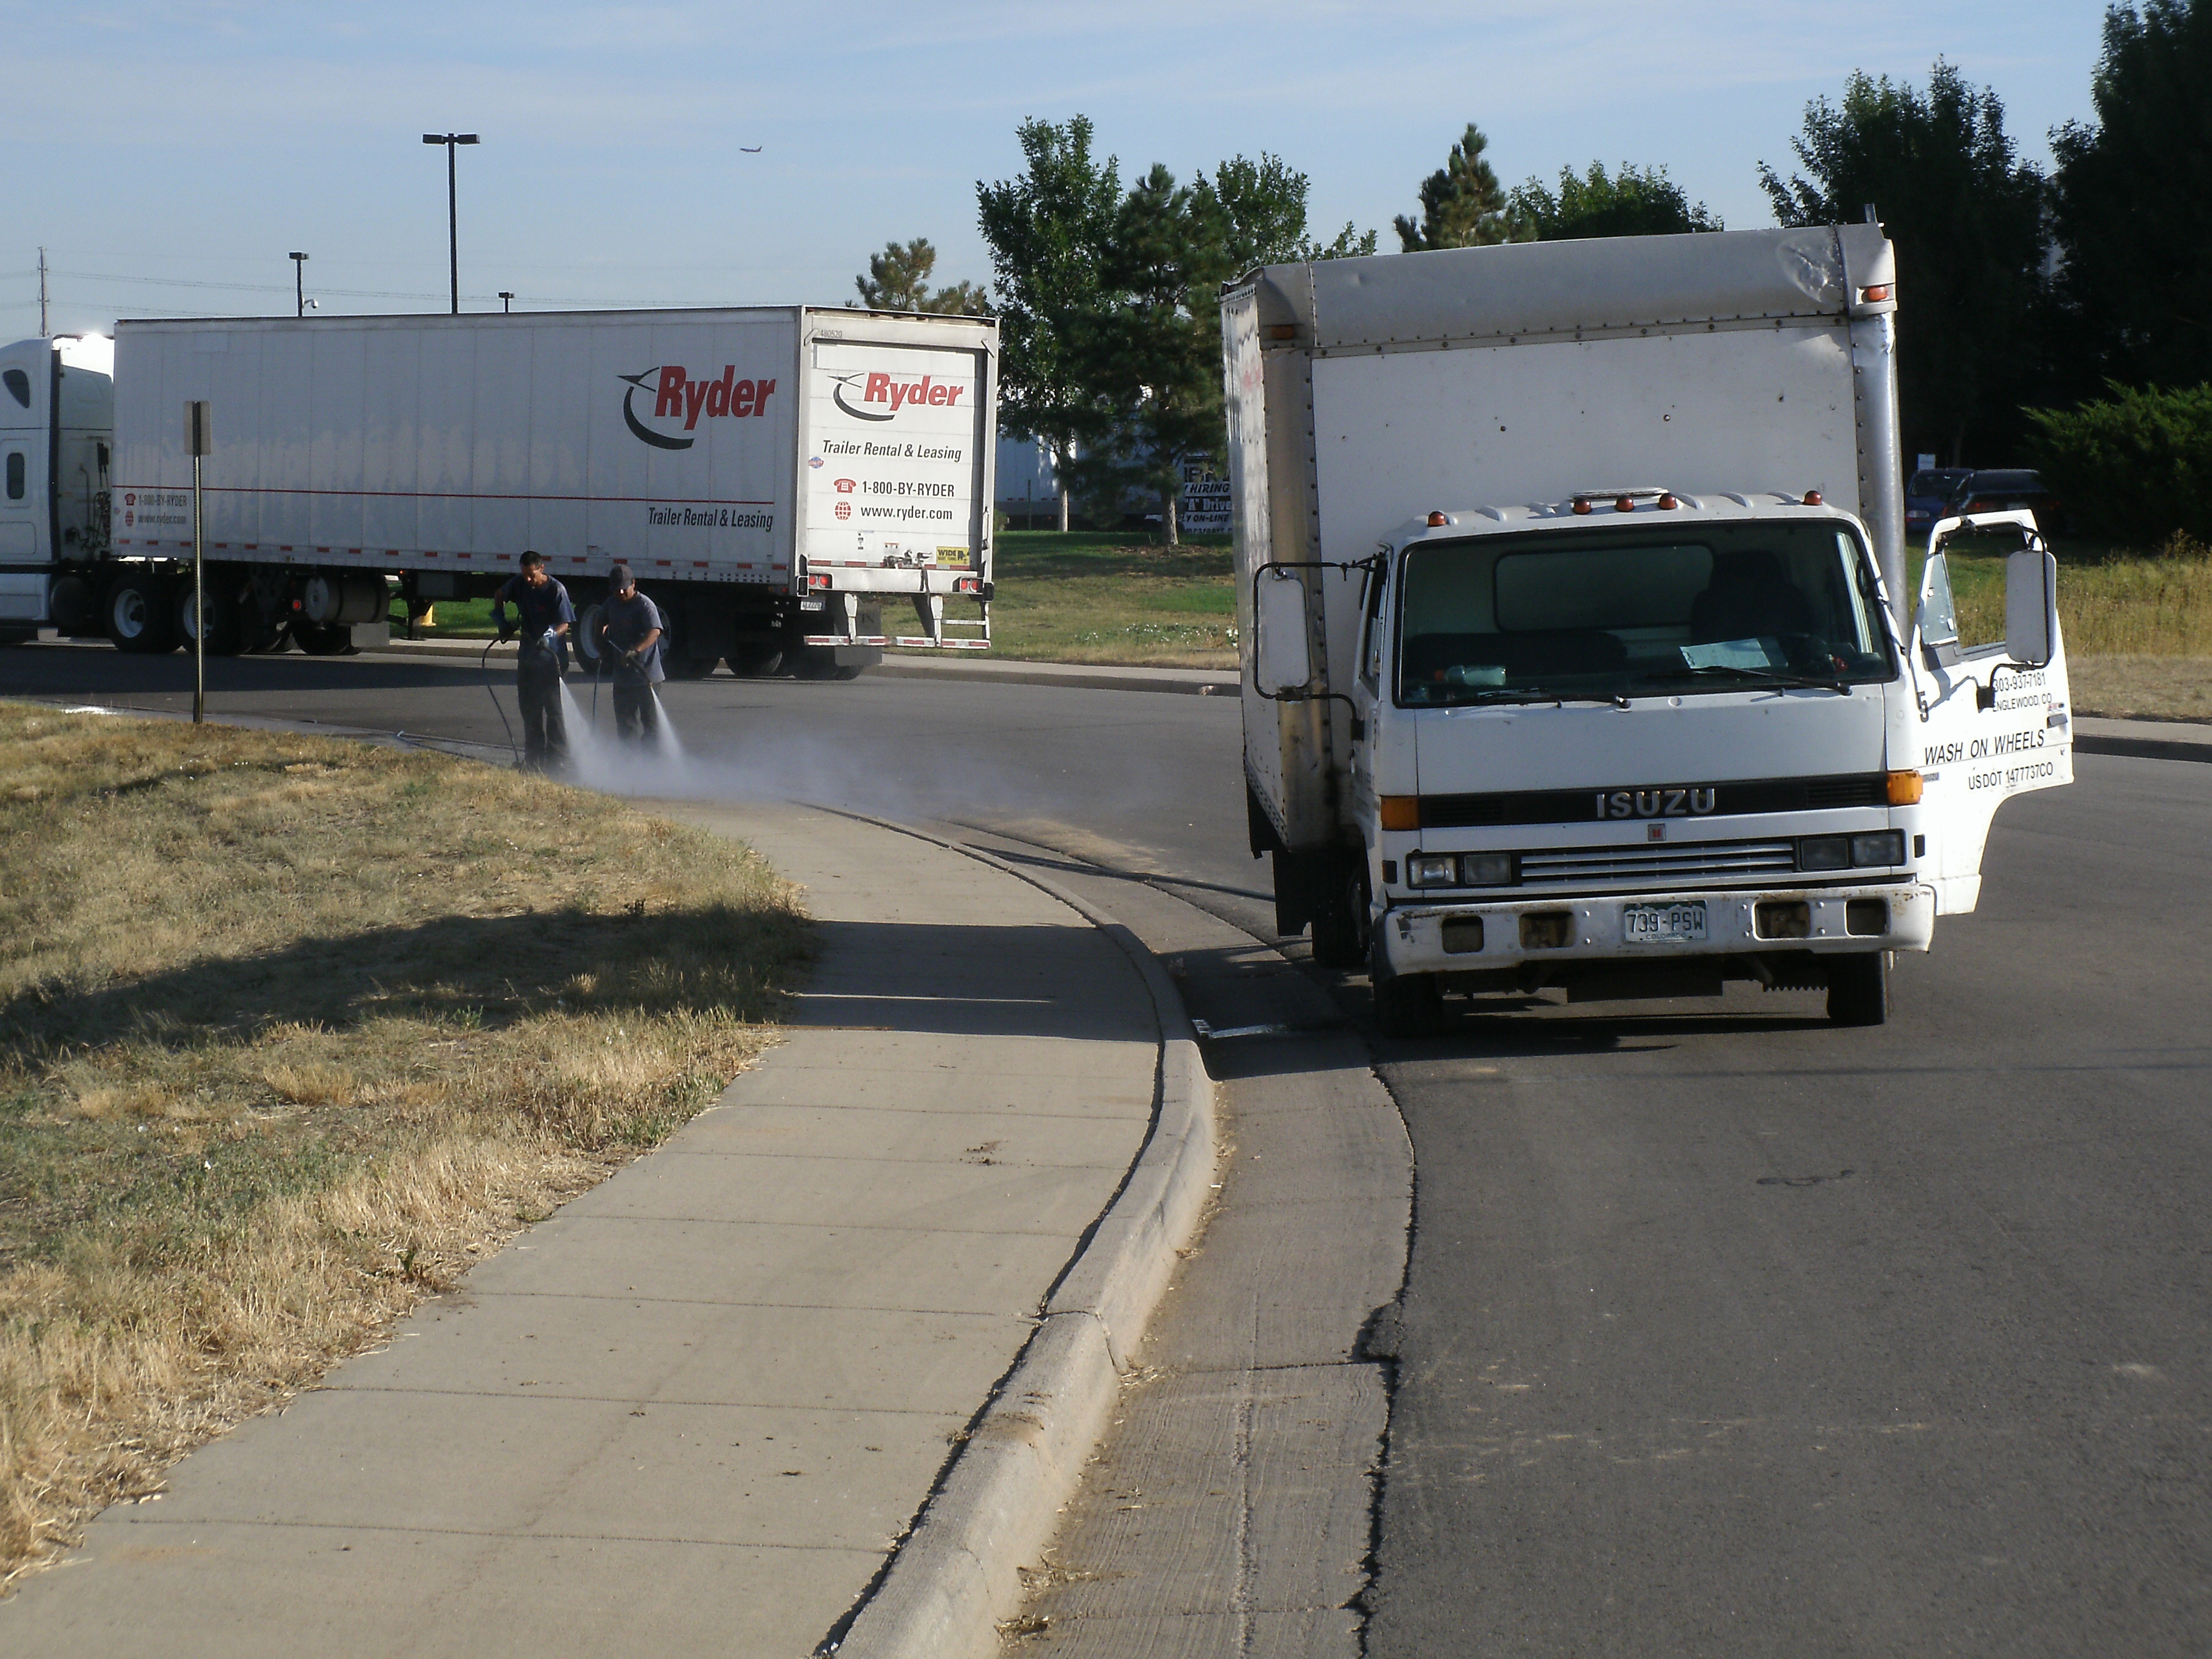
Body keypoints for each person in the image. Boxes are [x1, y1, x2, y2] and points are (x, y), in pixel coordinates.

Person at [491, 549, 574, 771]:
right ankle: (534, 758)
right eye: (525, 575)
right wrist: (501, 620)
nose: (529, 580)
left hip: (552, 658)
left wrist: (550, 636)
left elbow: (565, 623)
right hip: (528, 654)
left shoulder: (556, 590)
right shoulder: (519, 584)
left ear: (542, 569)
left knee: (554, 710)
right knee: (530, 708)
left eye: (532, 575)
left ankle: (558, 760)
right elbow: (500, 594)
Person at [594, 563, 665, 743]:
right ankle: (629, 762)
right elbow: (600, 621)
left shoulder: (644, 605)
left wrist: (636, 650)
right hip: (622, 678)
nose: (620, 593)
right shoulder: (611, 604)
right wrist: (601, 641)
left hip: (647, 676)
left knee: (652, 726)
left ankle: (651, 762)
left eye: (624, 589)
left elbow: (655, 631)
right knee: (625, 726)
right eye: (616, 590)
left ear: (634, 583)